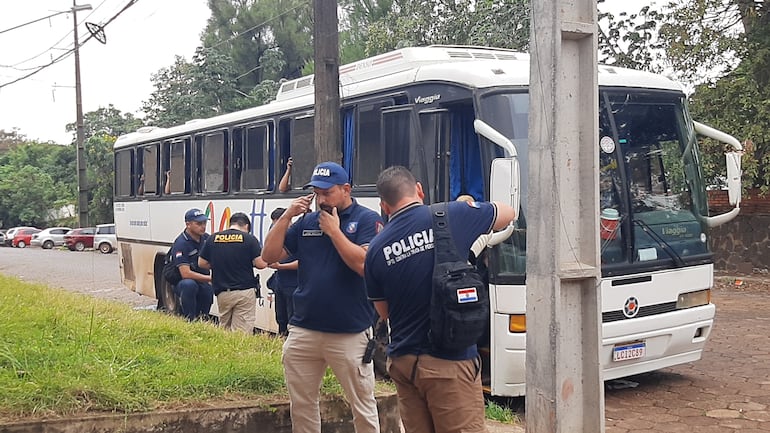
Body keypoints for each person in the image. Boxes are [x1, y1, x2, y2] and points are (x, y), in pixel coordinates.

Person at [364, 166, 516, 433]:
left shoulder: (376, 248)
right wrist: (470, 205)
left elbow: (384, 312)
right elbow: (507, 213)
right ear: (419, 190)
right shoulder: (450, 215)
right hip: (449, 363)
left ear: (384, 206)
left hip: (405, 363)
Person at [262, 161, 383, 433]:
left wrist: (335, 232)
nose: (321, 199)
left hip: (349, 331)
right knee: (302, 403)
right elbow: (269, 257)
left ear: (346, 189)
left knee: (362, 403)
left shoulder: (367, 220)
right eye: (317, 193)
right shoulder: (306, 221)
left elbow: (363, 265)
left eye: (327, 192)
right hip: (304, 327)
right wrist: (286, 217)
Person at [198, 212, 267, 334]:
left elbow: (201, 263)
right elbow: (261, 264)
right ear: (246, 226)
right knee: (241, 333)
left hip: (222, 293)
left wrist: (219, 264)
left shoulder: (213, 238)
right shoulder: (249, 239)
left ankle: (225, 352)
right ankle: (240, 353)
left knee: (225, 329)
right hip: (244, 292)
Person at [171, 208, 215, 321]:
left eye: (204, 223)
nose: (203, 226)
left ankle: (202, 319)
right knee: (189, 285)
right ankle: (189, 319)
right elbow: (185, 273)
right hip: (183, 281)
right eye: (199, 223)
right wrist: (210, 278)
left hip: (202, 279)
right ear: (188, 224)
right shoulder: (181, 243)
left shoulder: (207, 239)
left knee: (208, 291)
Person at [265, 207, 299, 337]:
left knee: (292, 319)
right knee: (281, 318)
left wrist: (280, 266)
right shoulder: (275, 234)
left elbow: (304, 262)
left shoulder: (295, 235)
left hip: (294, 283)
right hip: (280, 282)